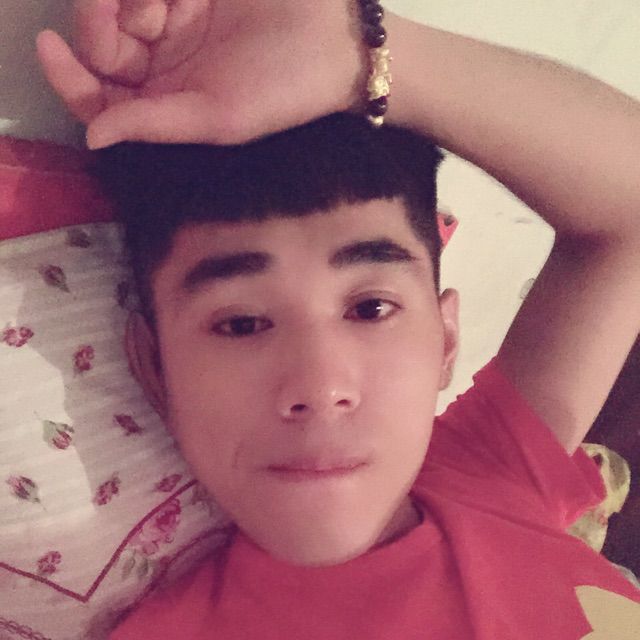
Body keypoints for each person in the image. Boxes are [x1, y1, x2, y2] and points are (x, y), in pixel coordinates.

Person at [36, 1, 640, 638]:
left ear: (446, 340)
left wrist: (363, 56)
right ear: (156, 370)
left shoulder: (490, 473)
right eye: (241, 324)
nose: (321, 387)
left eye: (370, 308)